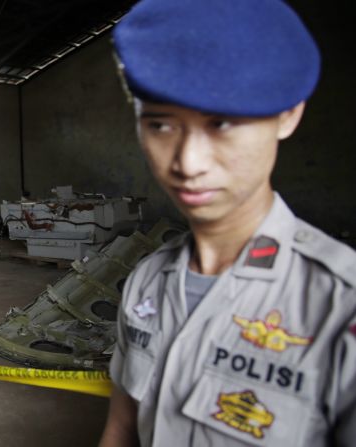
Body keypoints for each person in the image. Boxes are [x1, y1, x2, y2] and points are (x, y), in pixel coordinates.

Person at [99, 0, 356, 445]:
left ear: (288, 115)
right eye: (160, 125)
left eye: (221, 123)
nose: (187, 162)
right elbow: (121, 428)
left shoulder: (339, 305)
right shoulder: (146, 283)